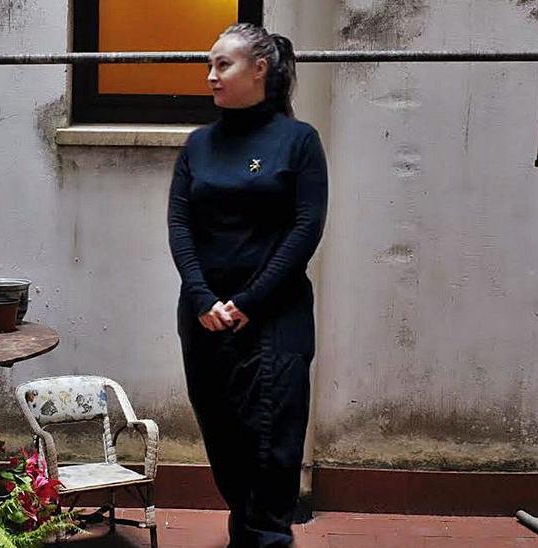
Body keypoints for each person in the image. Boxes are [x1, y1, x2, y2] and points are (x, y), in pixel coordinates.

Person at [168, 22, 328, 548]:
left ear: (260, 69)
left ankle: (266, 535)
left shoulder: (297, 141)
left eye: (223, 65)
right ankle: (249, 527)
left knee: (273, 435)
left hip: (273, 314)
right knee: (225, 432)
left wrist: (250, 300)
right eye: (209, 65)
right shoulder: (198, 145)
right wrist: (202, 296)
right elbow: (180, 225)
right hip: (205, 315)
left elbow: (306, 227)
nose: (211, 76)